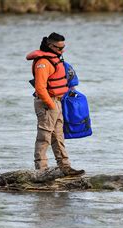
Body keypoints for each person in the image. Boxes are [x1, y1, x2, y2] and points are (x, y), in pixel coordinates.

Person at [26, 32, 85, 176]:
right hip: (47, 103)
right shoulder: (43, 62)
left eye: (63, 47)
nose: (62, 51)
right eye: (59, 48)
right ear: (50, 46)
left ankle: (65, 167)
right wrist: (51, 105)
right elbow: (40, 88)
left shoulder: (55, 59)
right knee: (44, 137)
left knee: (58, 136)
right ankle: (41, 170)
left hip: (57, 102)